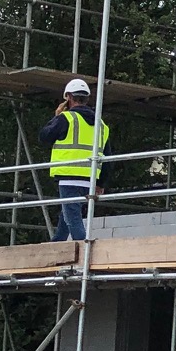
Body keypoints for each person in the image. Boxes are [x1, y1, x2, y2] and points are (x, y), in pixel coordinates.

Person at [41, 77, 110, 242]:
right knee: (68, 214)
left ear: (69, 97)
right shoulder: (101, 124)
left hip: (69, 177)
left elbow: (44, 137)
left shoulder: (66, 118)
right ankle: (57, 243)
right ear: (87, 99)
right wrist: (101, 183)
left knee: (73, 219)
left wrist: (56, 117)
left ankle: (86, 249)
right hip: (90, 180)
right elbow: (106, 156)